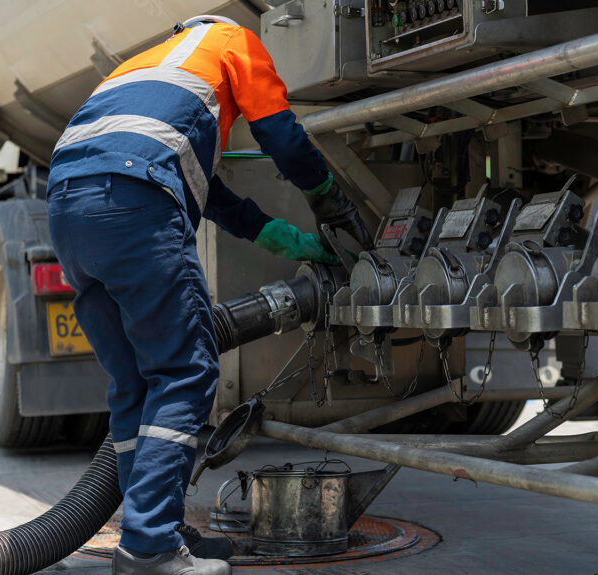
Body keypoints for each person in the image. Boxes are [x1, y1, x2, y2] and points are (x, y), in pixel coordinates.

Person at [46, 15, 372, 575]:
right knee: (184, 373)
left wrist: (288, 239)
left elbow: (212, 197)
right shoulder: (232, 40)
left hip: (67, 209)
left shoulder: (145, 66)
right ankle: (150, 548)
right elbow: (281, 135)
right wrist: (327, 198)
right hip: (133, 199)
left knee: (134, 383)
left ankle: (155, 529)